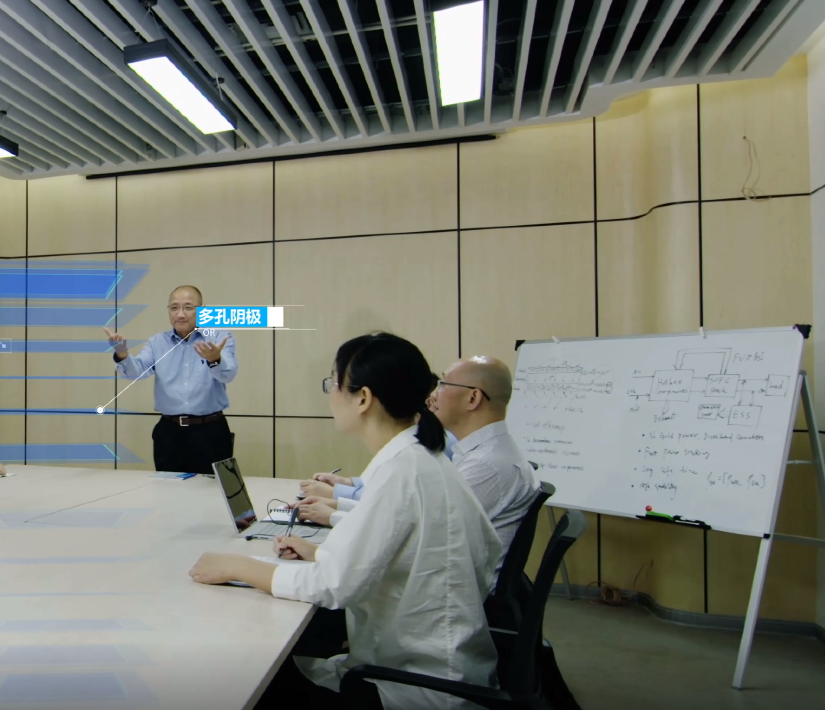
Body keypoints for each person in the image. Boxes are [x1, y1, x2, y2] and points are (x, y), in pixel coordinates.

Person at [188, 333, 502, 709]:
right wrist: (319, 553)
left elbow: (334, 586)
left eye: (333, 384)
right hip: (424, 663)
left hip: (420, 685)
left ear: (363, 398)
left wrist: (238, 566)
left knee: (242, 676)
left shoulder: (403, 470)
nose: (331, 395)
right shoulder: (418, 458)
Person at [296, 356, 538, 556]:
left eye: (443, 385)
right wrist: (340, 506)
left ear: (473, 398)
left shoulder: (486, 465)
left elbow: (417, 535)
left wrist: (333, 520)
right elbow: (414, 518)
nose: (433, 396)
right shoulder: (481, 452)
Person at [102, 285, 236, 474]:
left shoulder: (219, 338)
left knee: (211, 490)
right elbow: (136, 372)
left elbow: (228, 374)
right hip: (169, 433)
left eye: (188, 307)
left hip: (210, 431)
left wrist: (215, 359)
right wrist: (122, 354)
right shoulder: (157, 342)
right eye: (174, 308)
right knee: (168, 490)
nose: (180, 314)